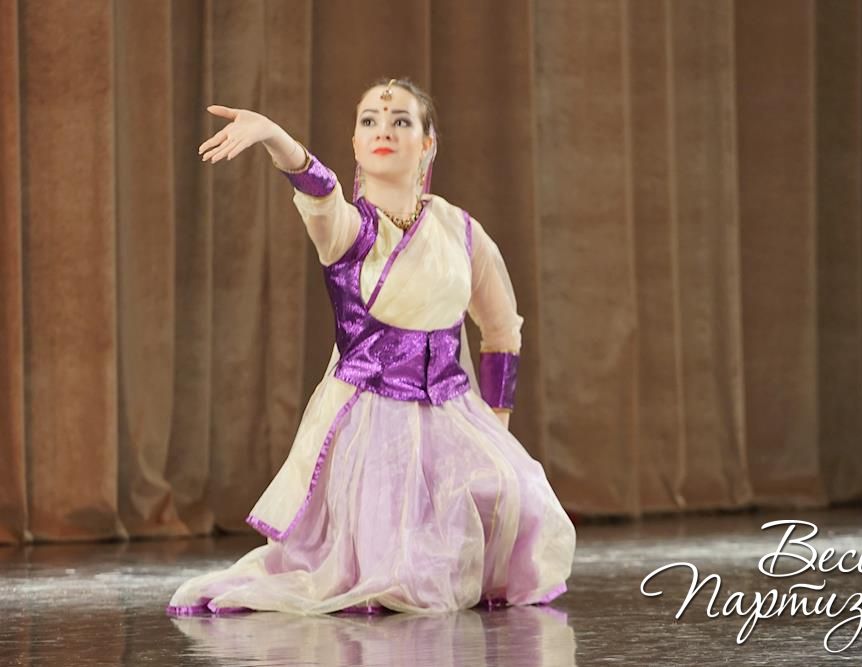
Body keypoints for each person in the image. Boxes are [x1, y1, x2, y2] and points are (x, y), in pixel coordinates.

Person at [166, 77, 576, 615]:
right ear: (356, 144)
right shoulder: (347, 229)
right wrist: (273, 137)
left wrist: (496, 428)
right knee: (396, 570)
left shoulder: (460, 231)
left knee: (525, 499)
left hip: (452, 412)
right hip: (371, 423)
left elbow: (502, 331)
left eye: (401, 121)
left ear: (426, 143)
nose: (384, 130)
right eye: (370, 122)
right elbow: (317, 188)